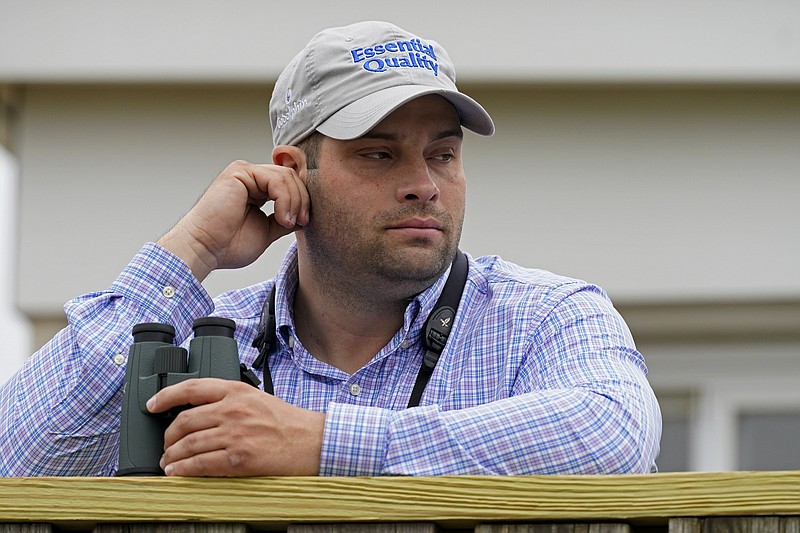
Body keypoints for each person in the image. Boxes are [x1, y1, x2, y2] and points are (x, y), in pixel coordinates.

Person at [0, 21, 661, 477]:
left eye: (443, 153)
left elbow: (613, 434)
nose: (424, 185)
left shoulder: (546, 314)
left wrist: (316, 443)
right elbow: (16, 459)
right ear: (294, 169)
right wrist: (190, 251)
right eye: (380, 153)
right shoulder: (207, 339)